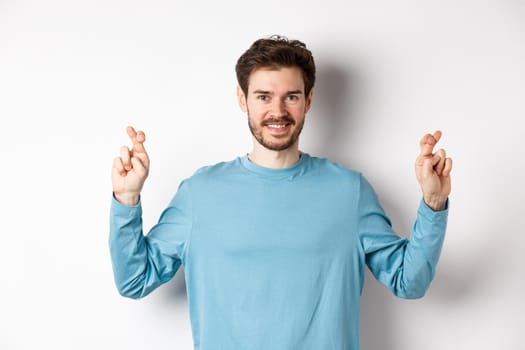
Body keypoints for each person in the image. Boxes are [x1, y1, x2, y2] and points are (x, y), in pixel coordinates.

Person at [109, 35, 452, 350]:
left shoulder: (349, 192)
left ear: (309, 100)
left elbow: (410, 282)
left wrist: (433, 204)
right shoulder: (200, 194)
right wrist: (126, 200)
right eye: (263, 97)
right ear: (242, 99)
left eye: (291, 96)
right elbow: (135, 280)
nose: (278, 111)